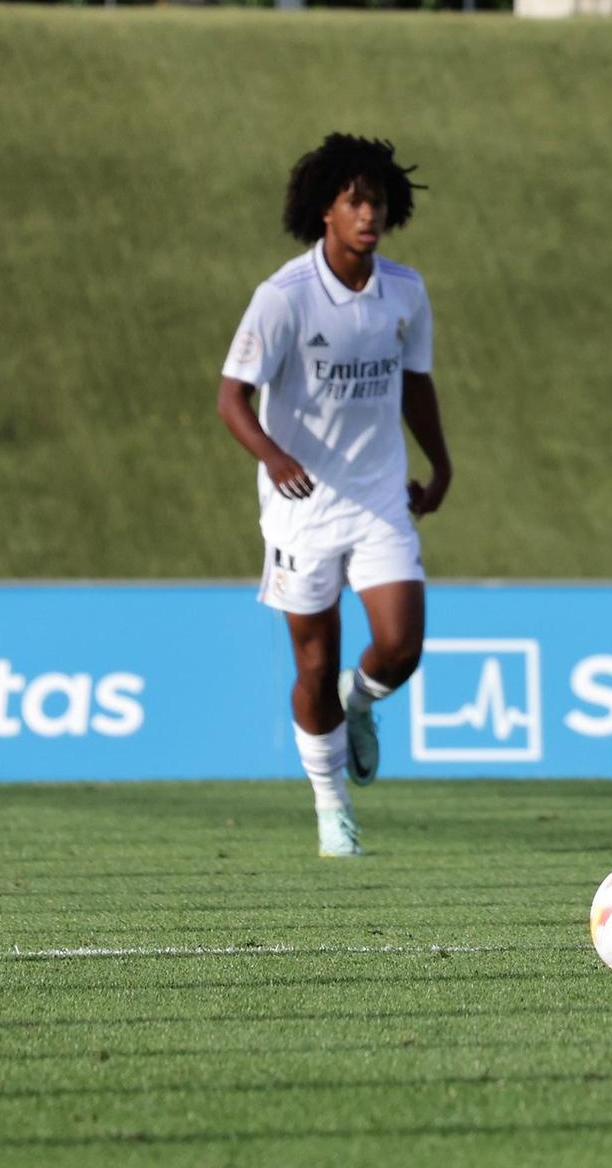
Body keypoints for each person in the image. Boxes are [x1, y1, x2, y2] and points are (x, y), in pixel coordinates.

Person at [217, 133, 452, 858]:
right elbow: (231, 399)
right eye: (355, 199)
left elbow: (415, 384)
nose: (369, 213)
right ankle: (331, 807)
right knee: (313, 667)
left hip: (379, 497)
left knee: (402, 645)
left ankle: (362, 704)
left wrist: (440, 466)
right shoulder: (282, 298)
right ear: (325, 209)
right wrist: (274, 453)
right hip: (302, 508)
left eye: (377, 199)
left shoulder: (404, 291)